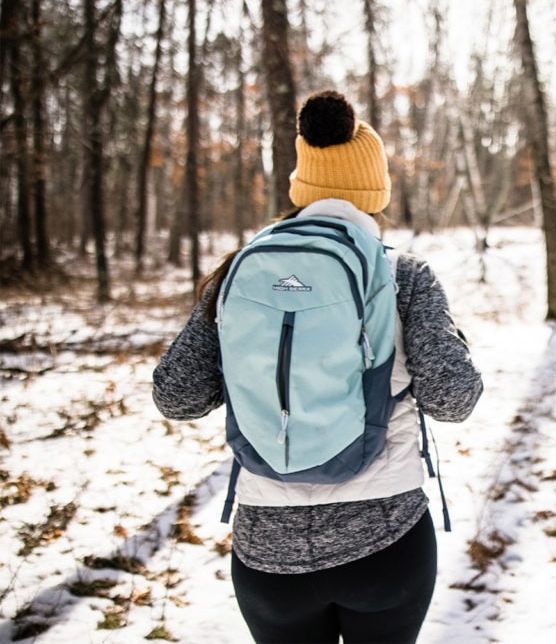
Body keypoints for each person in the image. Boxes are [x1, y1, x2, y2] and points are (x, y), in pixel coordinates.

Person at [152, 90, 483, 643]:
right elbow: (455, 399)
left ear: (301, 183)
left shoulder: (241, 268)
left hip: (267, 552)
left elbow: (177, 396)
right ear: (375, 189)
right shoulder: (402, 274)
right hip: (386, 539)